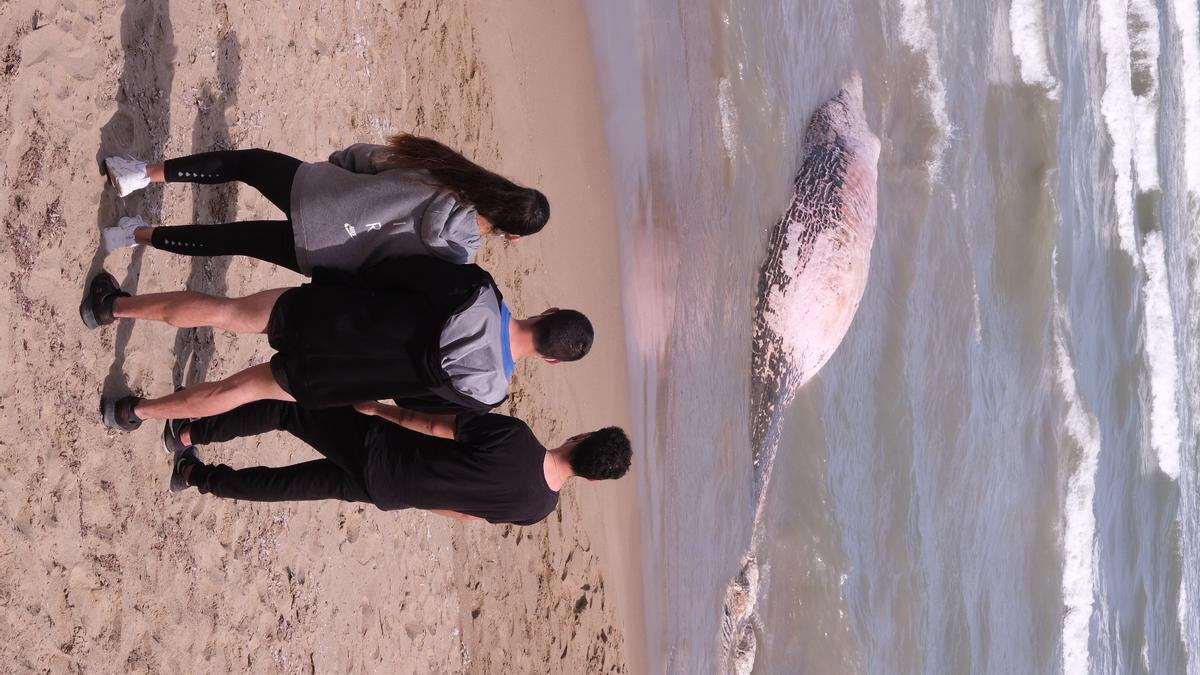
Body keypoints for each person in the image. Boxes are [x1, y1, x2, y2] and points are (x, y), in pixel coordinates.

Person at [81, 254, 594, 430]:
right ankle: (133, 412)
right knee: (240, 390)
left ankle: (111, 307)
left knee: (228, 313)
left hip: (337, 314)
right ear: (551, 360)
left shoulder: (478, 289)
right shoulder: (488, 395)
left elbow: (396, 271)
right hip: (343, 377)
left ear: (546, 311)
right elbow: (411, 401)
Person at [101, 134, 548, 273]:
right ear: (510, 234)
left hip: (319, 194)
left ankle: (139, 174)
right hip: (326, 254)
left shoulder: (449, 173)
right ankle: (133, 235)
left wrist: (335, 168)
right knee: (231, 238)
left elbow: (367, 158)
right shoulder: (459, 255)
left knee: (248, 164)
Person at [160, 401, 632, 526]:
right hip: (390, 492)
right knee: (291, 486)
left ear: (584, 436)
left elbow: (434, 426)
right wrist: (416, 496)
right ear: (592, 479)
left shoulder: (518, 438)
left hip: (379, 446)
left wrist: (380, 410)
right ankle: (195, 475)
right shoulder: (538, 509)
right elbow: (465, 512)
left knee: (291, 410)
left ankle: (187, 433)